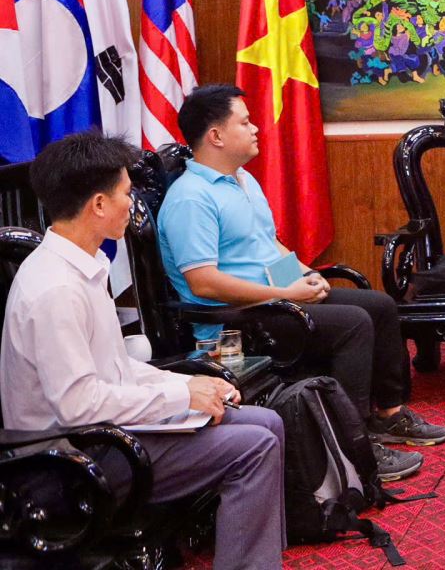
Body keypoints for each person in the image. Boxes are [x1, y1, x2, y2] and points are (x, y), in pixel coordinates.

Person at [1, 132, 286, 570]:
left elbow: (116, 369)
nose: (131, 205)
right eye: (126, 193)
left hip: (103, 435)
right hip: (70, 462)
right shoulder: (55, 290)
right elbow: (78, 406)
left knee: (267, 421)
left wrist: (190, 383)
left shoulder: (83, 267)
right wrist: (180, 397)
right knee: (254, 446)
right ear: (98, 204)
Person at [157, 84, 445, 483]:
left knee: (379, 305)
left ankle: (389, 414)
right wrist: (286, 293)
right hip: (233, 323)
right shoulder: (191, 198)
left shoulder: (243, 180)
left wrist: (303, 277)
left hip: (273, 301)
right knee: (352, 324)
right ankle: (353, 447)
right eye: (245, 122)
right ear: (216, 136)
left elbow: (267, 247)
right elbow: (204, 283)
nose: (255, 128)